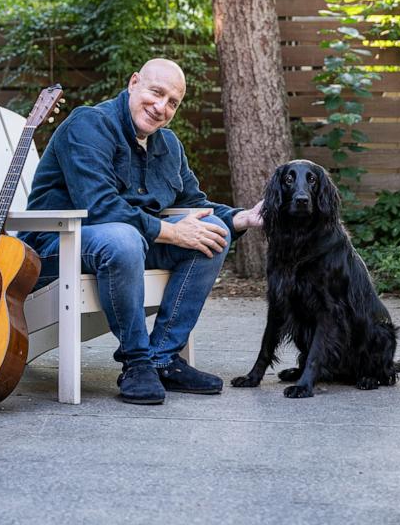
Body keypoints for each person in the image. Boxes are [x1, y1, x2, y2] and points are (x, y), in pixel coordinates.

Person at [20, 58, 264, 404]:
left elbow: (195, 203)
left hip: (130, 244)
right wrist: (173, 233)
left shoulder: (168, 146)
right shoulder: (89, 124)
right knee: (123, 237)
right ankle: (135, 362)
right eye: (156, 92)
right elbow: (100, 208)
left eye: (172, 103)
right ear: (134, 82)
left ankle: (162, 358)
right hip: (57, 245)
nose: (161, 107)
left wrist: (242, 219)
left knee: (211, 231)